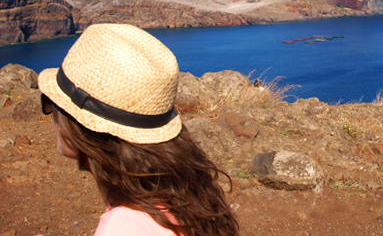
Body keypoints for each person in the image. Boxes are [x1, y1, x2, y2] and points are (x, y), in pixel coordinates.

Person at [38, 23, 239, 236]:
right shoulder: (185, 193)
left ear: (79, 125)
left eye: (50, 103)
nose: (50, 114)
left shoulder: (123, 227)